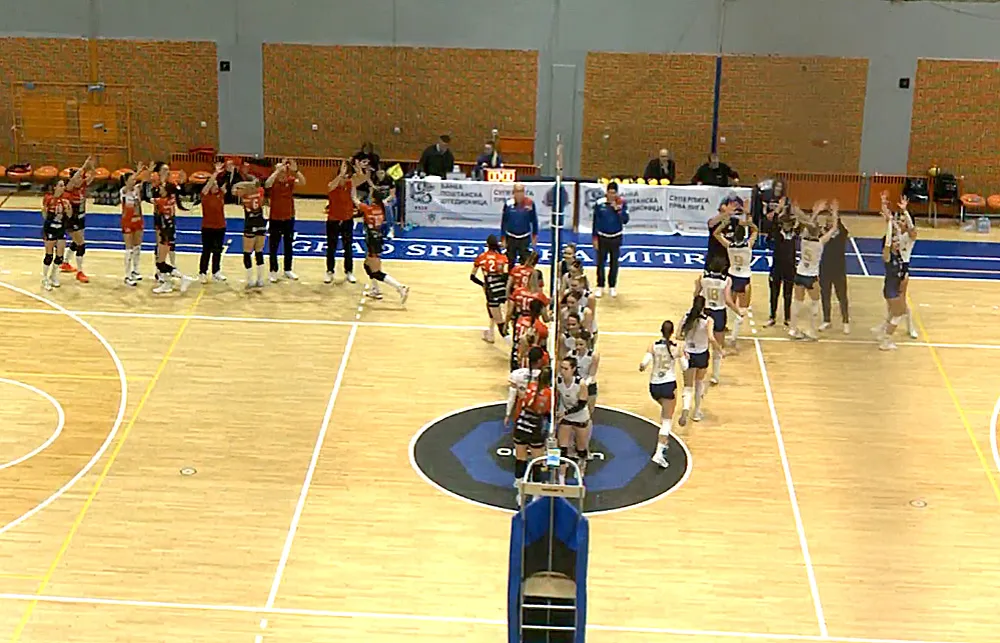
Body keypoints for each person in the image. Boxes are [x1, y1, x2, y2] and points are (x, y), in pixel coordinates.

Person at [789, 200, 840, 340]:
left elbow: (809, 225)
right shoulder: (820, 242)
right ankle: (811, 330)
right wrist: (835, 212)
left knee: (797, 302)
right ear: (818, 232)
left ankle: (793, 329)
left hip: (799, 274)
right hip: (811, 277)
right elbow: (834, 228)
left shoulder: (803, 240)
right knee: (815, 302)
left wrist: (816, 212)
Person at [639, 320, 684, 468]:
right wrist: (684, 356)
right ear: (672, 332)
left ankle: (664, 442)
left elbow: (643, 364)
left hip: (654, 386)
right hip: (668, 385)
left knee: (665, 413)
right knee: (667, 420)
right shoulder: (676, 347)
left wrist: (643, 366)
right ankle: (659, 452)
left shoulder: (653, 345)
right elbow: (685, 367)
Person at [355, 190, 410, 303]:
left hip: (373, 240)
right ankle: (376, 290)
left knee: (376, 272)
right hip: (377, 238)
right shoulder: (382, 208)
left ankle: (400, 287)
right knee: (367, 265)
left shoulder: (368, 209)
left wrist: (353, 187)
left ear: (373, 198)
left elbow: (354, 200)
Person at [694, 255, 741, 383]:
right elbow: (728, 300)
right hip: (719, 313)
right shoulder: (726, 280)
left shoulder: (703, 277)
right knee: (717, 345)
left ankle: (698, 372)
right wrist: (738, 311)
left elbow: (696, 294)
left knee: (702, 343)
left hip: (705, 311)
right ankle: (715, 376)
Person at [677, 295, 723, 425]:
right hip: (701, 354)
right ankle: (696, 412)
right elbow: (711, 337)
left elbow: (678, 335)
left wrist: (688, 339)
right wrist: (719, 349)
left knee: (688, 386)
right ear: (704, 306)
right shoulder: (708, 320)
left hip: (688, 354)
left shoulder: (686, 317)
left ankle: (686, 408)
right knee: (699, 383)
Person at [713, 216, 758, 343]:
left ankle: (723, 328)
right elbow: (755, 231)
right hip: (744, 279)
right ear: (744, 236)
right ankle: (733, 338)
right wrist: (749, 223)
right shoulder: (748, 245)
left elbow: (716, 234)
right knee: (742, 310)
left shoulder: (729, 245)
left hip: (732, 277)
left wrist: (724, 224)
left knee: (729, 305)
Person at [511, 366, 553, 498]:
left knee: (520, 458)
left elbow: (521, 402)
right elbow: (548, 411)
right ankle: (536, 494)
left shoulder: (530, 387)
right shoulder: (550, 394)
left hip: (522, 423)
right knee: (537, 461)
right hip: (536, 426)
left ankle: (520, 491)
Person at [151, 182, 196, 294]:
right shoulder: (172, 199)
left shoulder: (161, 201)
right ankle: (167, 283)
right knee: (160, 261)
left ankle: (183, 278)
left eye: (162, 187)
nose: (160, 188)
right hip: (168, 231)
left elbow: (148, 199)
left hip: (166, 232)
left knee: (160, 262)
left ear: (166, 191)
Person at [265, 158, 306, 282]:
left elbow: (303, 182)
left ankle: (288, 269)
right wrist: (277, 171)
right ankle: (273, 270)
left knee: (288, 245)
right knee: (274, 246)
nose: (283, 172)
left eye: (284, 170)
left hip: (289, 217)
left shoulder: (290, 180)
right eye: (281, 170)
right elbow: (267, 184)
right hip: (275, 218)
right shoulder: (273, 181)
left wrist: (296, 170)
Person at [60, 157, 96, 283]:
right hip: (71, 218)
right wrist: (84, 166)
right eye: (79, 177)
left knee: (76, 242)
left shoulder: (82, 186)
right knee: (81, 244)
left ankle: (65, 263)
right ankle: (80, 272)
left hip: (81, 217)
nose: (81, 179)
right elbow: (74, 179)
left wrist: (91, 167)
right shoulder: (69, 188)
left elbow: (93, 176)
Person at [591, 181, 629, 298]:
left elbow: (625, 220)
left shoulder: (622, 203)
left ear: (617, 193)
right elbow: (595, 221)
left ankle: (612, 286)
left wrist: (618, 210)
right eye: (610, 192)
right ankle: (600, 285)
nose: (611, 195)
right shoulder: (599, 203)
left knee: (614, 263)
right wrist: (594, 238)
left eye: (614, 193)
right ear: (606, 192)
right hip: (602, 237)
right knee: (600, 263)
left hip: (616, 237)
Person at [556, 356, 592, 478]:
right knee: (563, 447)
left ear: (573, 369)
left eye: (566, 369)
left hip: (580, 416)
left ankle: (582, 465)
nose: (563, 371)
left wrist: (565, 413)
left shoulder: (580, 384)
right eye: (561, 368)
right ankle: (561, 475)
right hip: (565, 416)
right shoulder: (558, 380)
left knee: (581, 447)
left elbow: (581, 404)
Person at [471, 234, 510, 343]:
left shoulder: (481, 257)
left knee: (497, 317)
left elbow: (472, 277)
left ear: (487, 245)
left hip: (490, 289)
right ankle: (491, 333)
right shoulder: (502, 258)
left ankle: (512, 345)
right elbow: (506, 275)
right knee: (498, 312)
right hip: (502, 289)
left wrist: (483, 284)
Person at [325, 161, 357, 284]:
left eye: (347, 174)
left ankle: (349, 271)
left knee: (348, 246)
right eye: (344, 173)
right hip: (333, 219)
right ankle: (330, 271)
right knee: (331, 247)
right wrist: (340, 176)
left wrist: (364, 207)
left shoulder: (351, 183)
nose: (346, 176)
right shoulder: (333, 183)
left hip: (347, 219)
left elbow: (354, 198)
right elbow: (330, 187)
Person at [233, 176, 268, 289]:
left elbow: (234, 188)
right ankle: (260, 279)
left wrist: (247, 184)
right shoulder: (260, 191)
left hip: (250, 223)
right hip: (261, 222)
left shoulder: (244, 194)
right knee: (259, 251)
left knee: (247, 252)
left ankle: (250, 280)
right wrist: (253, 184)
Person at [819, 212, 850, 334]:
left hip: (839, 270)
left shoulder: (842, 233)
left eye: (831, 221)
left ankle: (845, 321)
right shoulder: (822, 233)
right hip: (825, 269)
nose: (829, 223)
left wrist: (835, 212)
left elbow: (841, 227)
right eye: (827, 221)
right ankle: (826, 320)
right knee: (825, 295)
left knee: (842, 296)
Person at [767, 209, 797, 327]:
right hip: (777, 268)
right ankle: (772, 316)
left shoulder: (795, 235)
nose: (787, 226)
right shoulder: (777, 233)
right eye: (785, 223)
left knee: (788, 294)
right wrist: (779, 209)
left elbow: (806, 224)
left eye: (789, 224)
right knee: (774, 294)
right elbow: (773, 224)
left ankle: (787, 318)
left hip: (790, 269)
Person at [199, 162, 228, 284]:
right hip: (208, 227)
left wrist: (229, 170)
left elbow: (228, 182)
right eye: (213, 184)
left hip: (220, 226)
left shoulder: (221, 194)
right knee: (206, 250)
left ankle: (216, 271)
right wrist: (215, 173)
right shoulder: (205, 195)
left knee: (217, 250)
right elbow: (209, 184)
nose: (216, 186)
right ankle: (202, 272)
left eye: (216, 184)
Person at [41, 181, 71, 291]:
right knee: (49, 255)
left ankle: (53, 275)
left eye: (63, 186)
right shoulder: (49, 199)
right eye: (61, 185)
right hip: (50, 229)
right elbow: (44, 214)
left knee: (59, 256)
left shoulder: (65, 200)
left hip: (61, 229)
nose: (63, 188)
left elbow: (69, 215)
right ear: (55, 187)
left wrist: (68, 209)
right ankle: (45, 279)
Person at [120, 164, 147, 287]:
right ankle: (127, 275)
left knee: (137, 247)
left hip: (138, 220)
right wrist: (138, 171)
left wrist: (149, 170)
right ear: (126, 181)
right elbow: (128, 187)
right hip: (128, 221)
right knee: (129, 249)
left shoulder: (137, 189)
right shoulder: (123, 191)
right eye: (131, 179)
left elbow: (146, 179)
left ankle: (135, 270)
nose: (134, 181)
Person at [500, 184, 538, 266]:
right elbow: (504, 222)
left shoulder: (530, 204)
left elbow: (534, 220)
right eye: (517, 191)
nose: (519, 194)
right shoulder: (508, 204)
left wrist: (534, 236)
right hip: (510, 237)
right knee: (510, 261)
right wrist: (503, 238)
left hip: (524, 237)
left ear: (524, 192)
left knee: (525, 261)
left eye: (521, 191)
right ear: (513, 192)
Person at [706, 195, 742, 276]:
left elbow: (750, 225)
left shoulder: (735, 221)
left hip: (729, 259)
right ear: (723, 206)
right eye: (731, 205)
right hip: (714, 258)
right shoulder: (715, 220)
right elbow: (711, 224)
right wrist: (726, 213)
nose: (734, 207)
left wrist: (747, 212)